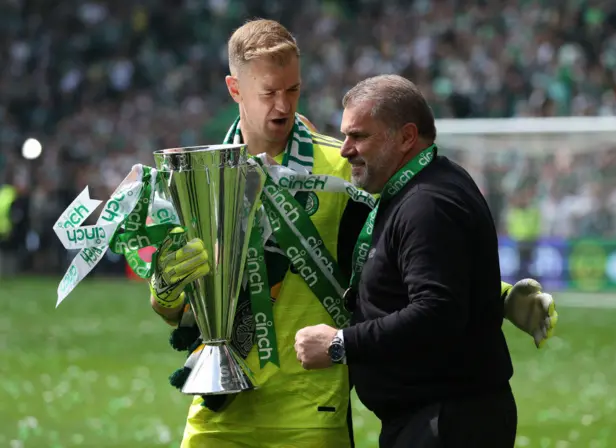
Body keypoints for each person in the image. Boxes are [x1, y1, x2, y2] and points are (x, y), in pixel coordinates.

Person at [147, 20, 557, 448]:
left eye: (293, 90)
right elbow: (171, 308)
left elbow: (408, 248)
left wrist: (500, 295)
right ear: (235, 90)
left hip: (311, 408)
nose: (283, 106)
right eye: (269, 92)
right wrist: (164, 286)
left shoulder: (343, 165)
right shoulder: (197, 175)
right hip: (219, 408)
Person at [294, 74, 529, 448]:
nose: (344, 150)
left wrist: (342, 344)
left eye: (359, 136)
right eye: (343, 136)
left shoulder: (426, 203)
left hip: (445, 420)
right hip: (438, 416)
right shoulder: (426, 185)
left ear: (405, 137)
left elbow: (438, 310)